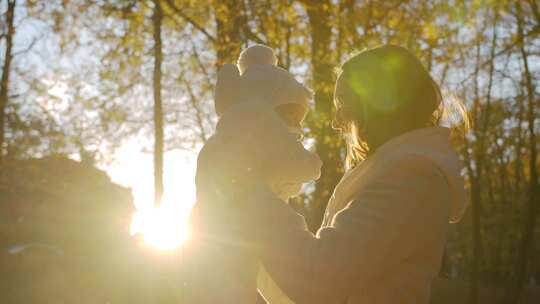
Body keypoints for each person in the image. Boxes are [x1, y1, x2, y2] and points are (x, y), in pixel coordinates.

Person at [222, 44, 470, 303]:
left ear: (377, 104)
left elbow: (319, 279)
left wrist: (249, 187)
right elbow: (303, 292)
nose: (335, 121)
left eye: (342, 103)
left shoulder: (413, 179)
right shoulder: (392, 174)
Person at [184, 45, 322, 303]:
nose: (296, 124)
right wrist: (313, 163)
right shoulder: (260, 122)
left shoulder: (220, 140)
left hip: (206, 231)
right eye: (291, 114)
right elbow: (303, 166)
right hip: (242, 227)